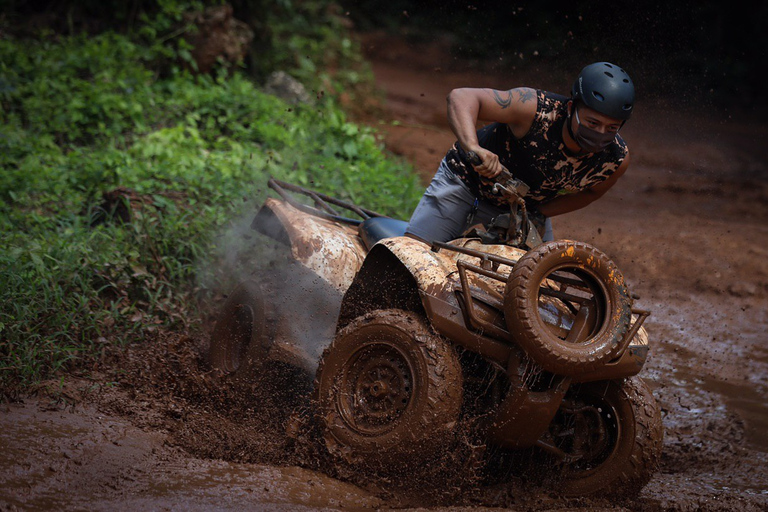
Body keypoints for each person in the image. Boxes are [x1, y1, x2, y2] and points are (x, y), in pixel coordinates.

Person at [405, 61, 634, 243]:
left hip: (521, 209)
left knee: (537, 285)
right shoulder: (534, 109)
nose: (600, 133)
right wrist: (473, 148)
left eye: (611, 128)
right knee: (414, 257)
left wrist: (538, 213)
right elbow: (461, 96)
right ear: (572, 108)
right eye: (592, 123)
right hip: (465, 183)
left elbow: (591, 194)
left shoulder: (615, 160)